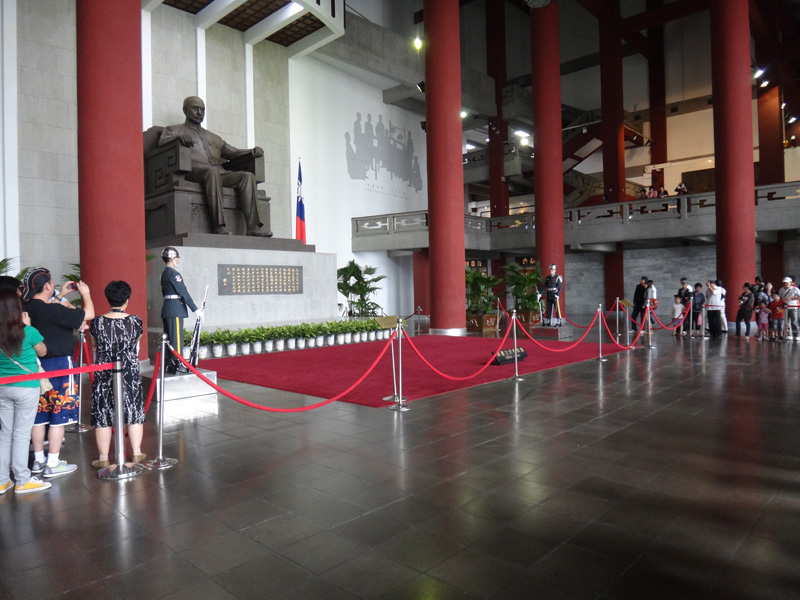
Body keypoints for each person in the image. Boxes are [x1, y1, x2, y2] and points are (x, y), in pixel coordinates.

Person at [159, 96, 271, 237]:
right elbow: (162, 142)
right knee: (212, 172)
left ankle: (253, 228)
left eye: (202, 110)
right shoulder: (174, 130)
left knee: (247, 176)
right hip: (193, 171)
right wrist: (176, 138)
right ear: (185, 110)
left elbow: (233, 152)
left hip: (219, 173)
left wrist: (252, 151)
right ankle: (218, 226)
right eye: (195, 109)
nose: (199, 112)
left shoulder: (213, 137)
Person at [21, 268, 94, 478]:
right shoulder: (54, 310)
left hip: (34, 366)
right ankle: (53, 463)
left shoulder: (24, 309)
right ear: (47, 286)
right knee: (59, 415)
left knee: (38, 415)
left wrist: (60, 296)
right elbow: (88, 314)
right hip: (61, 365)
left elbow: (47, 309)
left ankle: (38, 460)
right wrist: (85, 293)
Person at [89, 281, 146, 468]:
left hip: (104, 371)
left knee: (103, 413)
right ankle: (136, 453)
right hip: (129, 370)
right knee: (134, 410)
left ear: (108, 299)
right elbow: (136, 340)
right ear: (127, 300)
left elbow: (94, 344)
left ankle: (103, 457)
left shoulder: (97, 322)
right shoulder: (135, 321)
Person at [0, 290, 51, 495]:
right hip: (26, 387)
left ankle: (2, 481)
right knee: (21, 434)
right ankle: (22, 480)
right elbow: (43, 351)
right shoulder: (28, 331)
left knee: (5, 433)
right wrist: (28, 326)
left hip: (2, 386)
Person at [161, 247, 201, 373]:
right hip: (175, 309)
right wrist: (195, 309)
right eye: (176, 258)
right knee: (176, 339)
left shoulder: (164, 274)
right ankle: (177, 363)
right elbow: (183, 292)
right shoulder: (174, 274)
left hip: (168, 308)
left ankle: (170, 363)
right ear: (172, 258)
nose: (177, 260)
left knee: (169, 338)